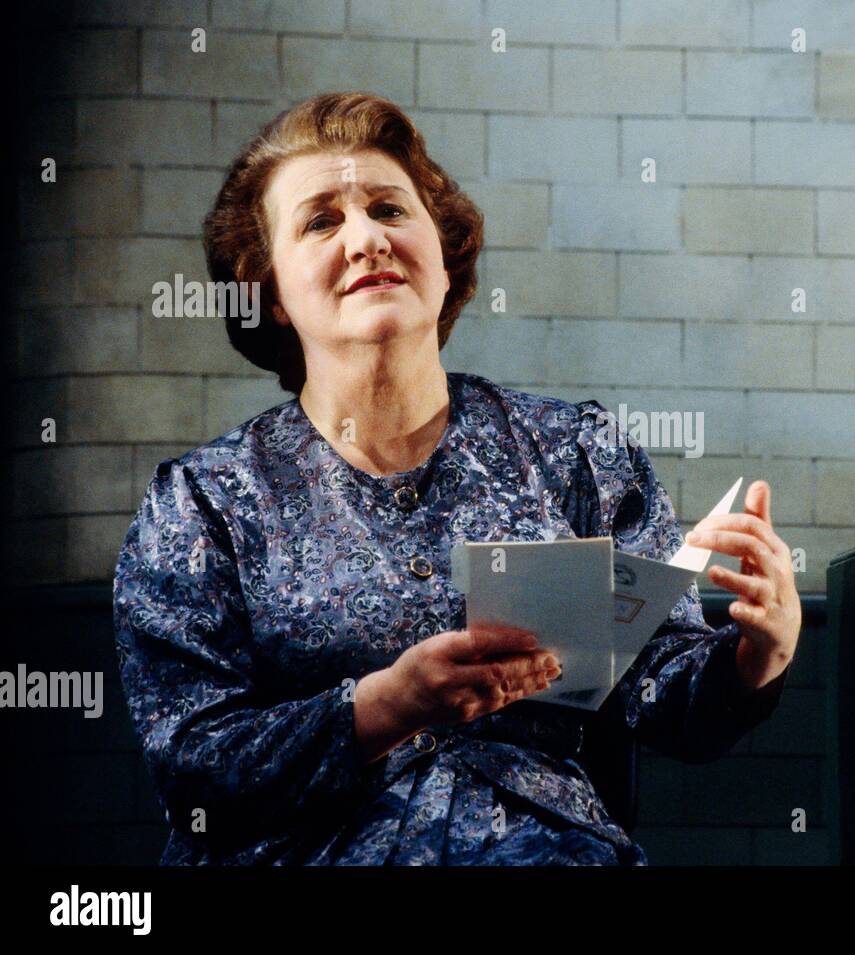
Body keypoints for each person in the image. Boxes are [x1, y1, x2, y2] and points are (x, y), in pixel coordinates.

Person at [113, 92, 801, 865]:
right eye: (321, 221)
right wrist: (390, 704)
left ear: (444, 257)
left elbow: (670, 703)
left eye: (387, 208)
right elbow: (195, 766)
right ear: (268, 292)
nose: (367, 237)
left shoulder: (576, 452)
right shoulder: (200, 505)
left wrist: (754, 659)